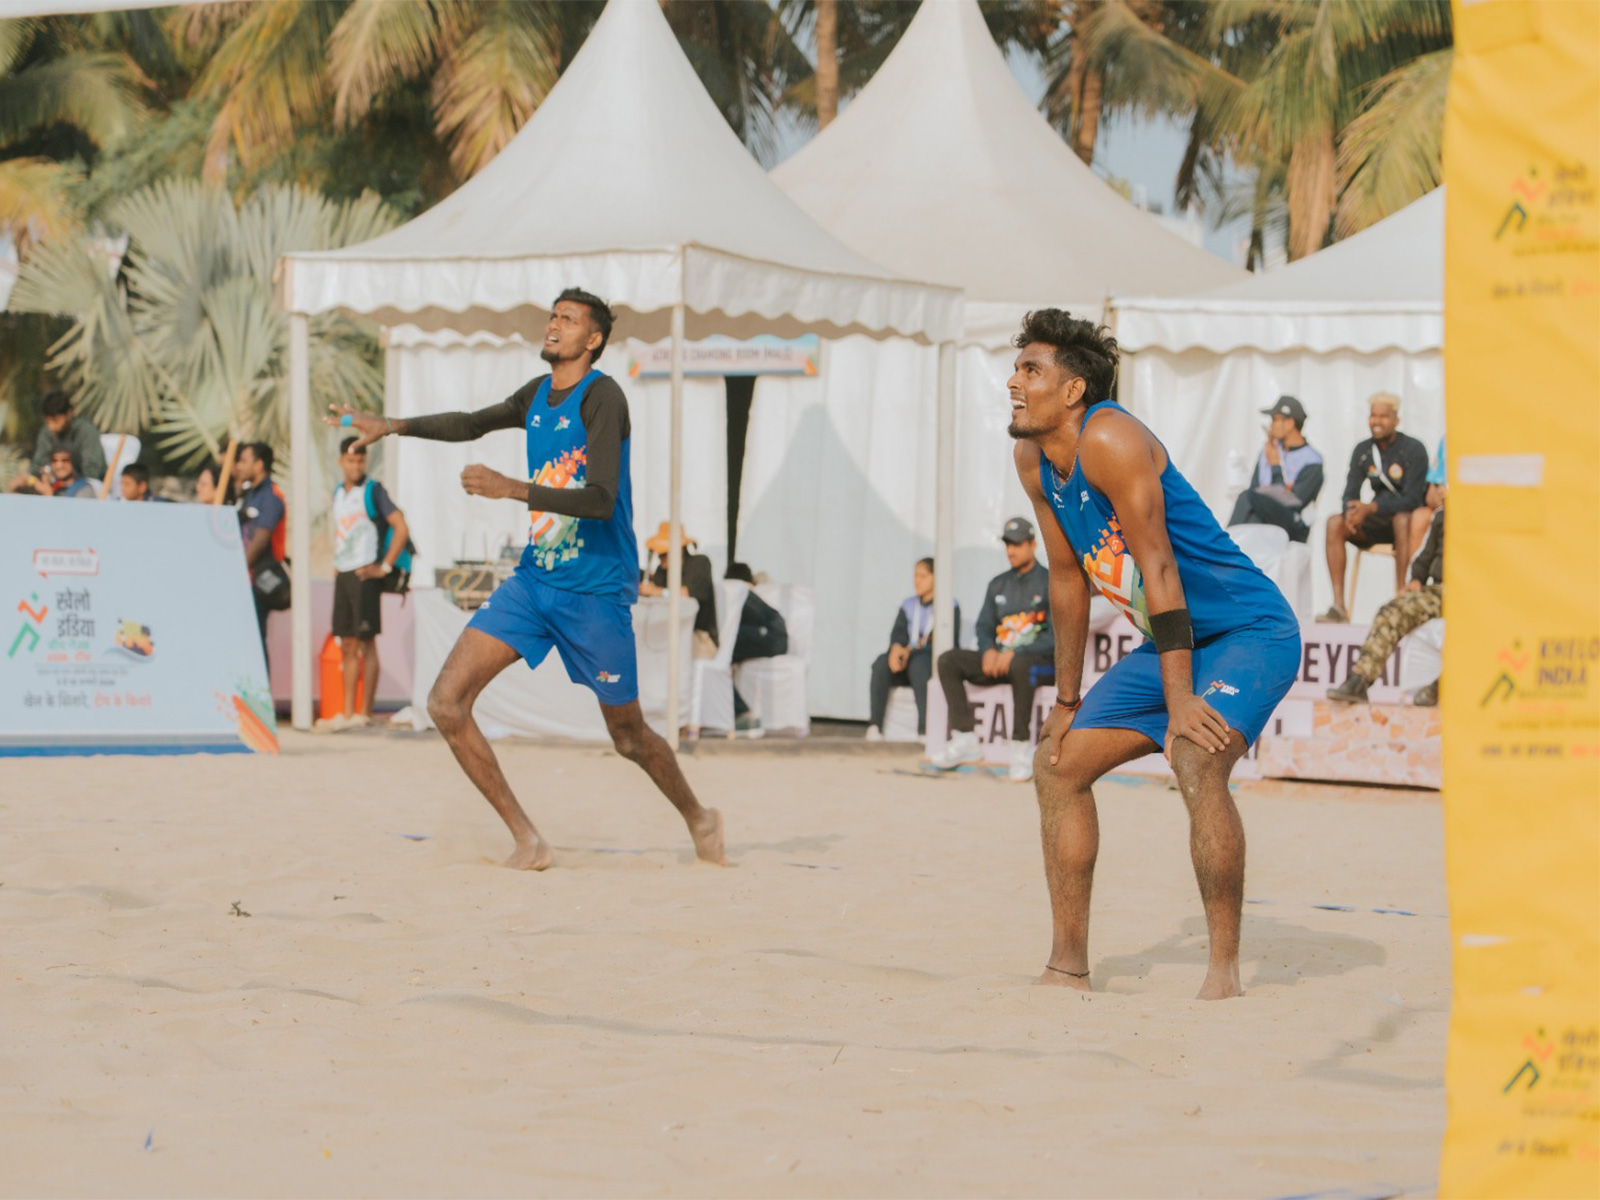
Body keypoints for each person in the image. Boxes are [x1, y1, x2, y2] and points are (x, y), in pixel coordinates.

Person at [327, 287, 724, 871]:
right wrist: (391, 424)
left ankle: (698, 816)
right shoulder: (537, 394)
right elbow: (469, 423)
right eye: (552, 316)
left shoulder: (603, 397)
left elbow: (599, 498)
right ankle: (528, 839)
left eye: (568, 319)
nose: (554, 325)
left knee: (630, 738)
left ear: (593, 339)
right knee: (446, 703)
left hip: (596, 592)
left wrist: (510, 487)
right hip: (534, 584)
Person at [1008, 309, 1300, 1001]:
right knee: (1058, 766)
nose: (1013, 382)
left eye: (1031, 370)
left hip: (1250, 632)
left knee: (1194, 754)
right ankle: (1067, 966)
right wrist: (1066, 701)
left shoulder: (1111, 437)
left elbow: (1160, 571)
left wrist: (1178, 703)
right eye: (1016, 367)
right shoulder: (1031, 457)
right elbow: (1068, 577)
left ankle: (1223, 974)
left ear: (1073, 390)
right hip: (1174, 640)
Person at [929, 517, 1054, 783]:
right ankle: (965, 738)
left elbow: (1057, 637)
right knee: (948, 660)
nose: (1011, 550)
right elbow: (984, 626)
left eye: (1018, 544)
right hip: (999, 662)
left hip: (1039, 664)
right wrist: (987, 650)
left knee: (1022, 665)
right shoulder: (997, 584)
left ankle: (1021, 748)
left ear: (1032, 544)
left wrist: (1014, 654)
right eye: (1008, 544)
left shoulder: (1049, 581)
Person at [319, 437, 412, 730]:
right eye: (351, 460)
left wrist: (384, 567)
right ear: (340, 462)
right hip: (344, 572)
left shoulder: (374, 490)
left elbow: (400, 525)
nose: (356, 465)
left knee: (366, 641)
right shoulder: (338, 493)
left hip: (366, 572)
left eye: (361, 460)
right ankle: (347, 712)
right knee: (347, 642)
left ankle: (364, 712)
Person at [1320, 392, 1429, 621]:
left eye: (1383, 416)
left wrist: (1371, 507)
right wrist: (1351, 513)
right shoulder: (1363, 450)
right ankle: (1339, 607)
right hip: (1374, 523)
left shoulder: (1414, 449)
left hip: (1404, 527)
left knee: (1402, 517)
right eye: (1373, 416)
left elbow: (1413, 498)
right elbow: (1350, 490)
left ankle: (1400, 599)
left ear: (1396, 420)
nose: (1377, 422)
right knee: (1334, 523)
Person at [1328, 505, 1444, 707]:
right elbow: (1425, 556)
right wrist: (1416, 578)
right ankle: (1360, 679)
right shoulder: (1445, 513)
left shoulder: (1499, 513)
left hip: (1476, 594)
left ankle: (1442, 686)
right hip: (1440, 590)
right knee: (1392, 610)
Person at [865, 557, 959, 740]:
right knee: (880, 663)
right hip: (906, 660)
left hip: (926, 659)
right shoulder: (908, 605)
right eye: (915, 576)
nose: (917, 581)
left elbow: (945, 639)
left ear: (936, 578)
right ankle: (875, 725)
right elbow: (898, 634)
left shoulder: (949, 605)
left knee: (920, 663)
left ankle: (925, 729)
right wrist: (896, 649)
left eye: (923, 576)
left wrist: (911, 651)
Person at [1227, 395, 1324, 542]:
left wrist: (1275, 466)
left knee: (1246, 497)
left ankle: (1224, 550)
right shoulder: (1268, 451)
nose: (1271, 426)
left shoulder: (1312, 460)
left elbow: (1293, 503)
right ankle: (1228, 551)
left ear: (1290, 423)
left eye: (1275, 419)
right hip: (1263, 516)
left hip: (1294, 525)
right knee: (1249, 505)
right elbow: (1254, 488)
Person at [235, 441, 288, 662]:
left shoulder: (272, 496)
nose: (239, 466)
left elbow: (261, 538)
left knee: (255, 639)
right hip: (245, 577)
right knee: (242, 639)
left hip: (260, 577)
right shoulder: (249, 493)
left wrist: (239, 569)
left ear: (259, 464)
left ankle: (261, 695)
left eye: (244, 461)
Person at [723, 561, 788, 738]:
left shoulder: (741, 593)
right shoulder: (747, 593)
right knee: (723, 655)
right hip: (773, 637)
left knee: (721, 655)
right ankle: (737, 710)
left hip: (773, 638)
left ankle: (740, 712)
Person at [639, 522, 719, 658]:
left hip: (699, 637)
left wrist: (656, 591)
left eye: (664, 553)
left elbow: (687, 593)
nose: (659, 557)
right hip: (666, 633)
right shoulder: (661, 571)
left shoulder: (699, 563)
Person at [25, 391, 105, 484]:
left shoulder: (86, 432)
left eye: (56, 420)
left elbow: (92, 472)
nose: (51, 426)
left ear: (68, 413)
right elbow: (38, 464)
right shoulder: (47, 432)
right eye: (48, 421)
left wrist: (69, 482)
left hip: (87, 488)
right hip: (55, 486)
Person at [1408, 435, 1446, 555]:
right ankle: (1414, 572)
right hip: (1442, 502)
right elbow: (1431, 496)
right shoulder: (1447, 440)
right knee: (1420, 516)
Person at [19, 447, 98, 498]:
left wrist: (48, 494)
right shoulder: (51, 486)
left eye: (65, 460)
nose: (59, 465)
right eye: (55, 461)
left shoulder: (83, 489)